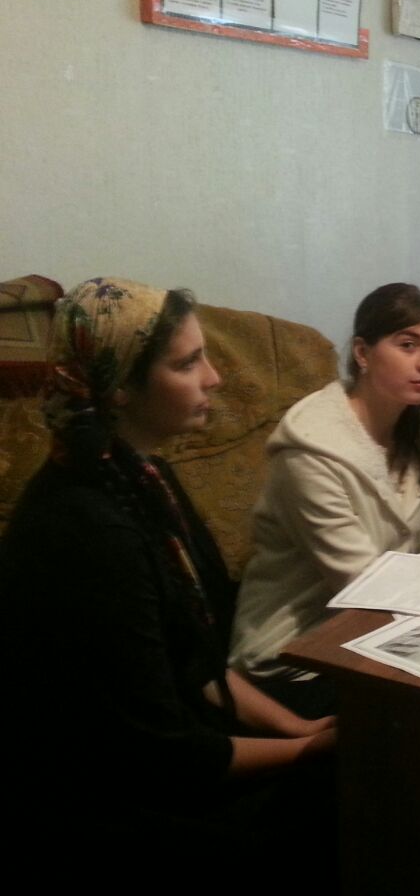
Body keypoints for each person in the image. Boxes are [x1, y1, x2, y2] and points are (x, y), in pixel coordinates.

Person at [0, 278, 336, 884]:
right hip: (102, 800)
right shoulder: (87, 530)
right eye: (187, 363)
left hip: (176, 741)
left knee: (353, 714)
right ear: (120, 389)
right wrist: (305, 751)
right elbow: (158, 755)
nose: (214, 378)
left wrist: (299, 728)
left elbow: (193, 659)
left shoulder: (141, 474)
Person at [231, 283, 420, 713]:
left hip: (380, 628)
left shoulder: (414, 429)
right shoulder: (310, 454)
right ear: (363, 353)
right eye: (408, 345)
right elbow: (362, 586)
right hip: (293, 656)